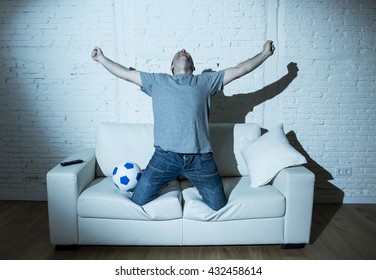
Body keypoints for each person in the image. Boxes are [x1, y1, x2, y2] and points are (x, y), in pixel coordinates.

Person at [91, 40, 275, 211]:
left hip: (201, 160)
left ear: (193, 67)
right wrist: (101, 59)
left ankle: (166, 178)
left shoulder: (206, 81)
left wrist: (265, 54)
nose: (183, 51)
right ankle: (157, 176)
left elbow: (240, 69)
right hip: (165, 158)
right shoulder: (157, 81)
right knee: (138, 200)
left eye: (187, 53)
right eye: (178, 53)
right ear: (171, 67)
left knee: (218, 206)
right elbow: (125, 73)